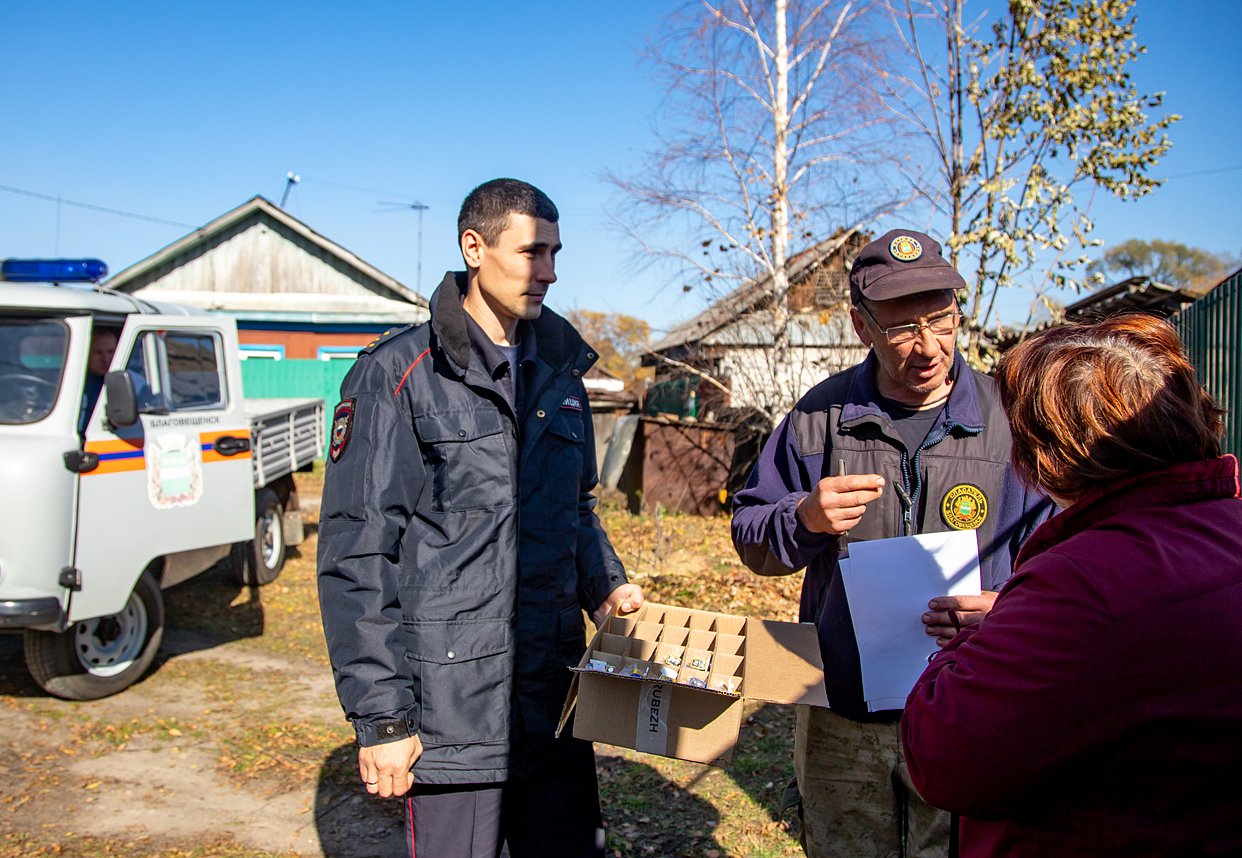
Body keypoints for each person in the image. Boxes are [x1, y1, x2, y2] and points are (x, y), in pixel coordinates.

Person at [317, 178, 643, 858]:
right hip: (451, 716)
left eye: (555, 254)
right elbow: (357, 554)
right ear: (474, 247)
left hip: (553, 704)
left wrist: (604, 584)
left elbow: (575, 511)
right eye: (532, 253)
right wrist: (382, 720)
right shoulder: (398, 376)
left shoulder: (561, 373)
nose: (548, 272)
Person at [731, 229, 1051, 858]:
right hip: (841, 715)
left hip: (971, 702)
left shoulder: (1011, 419)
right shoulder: (817, 418)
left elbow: (1061, 552)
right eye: (903, 328)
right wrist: (805, 517)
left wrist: (1010, 605)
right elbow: (751, 535)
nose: (928, 346)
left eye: (942, 320)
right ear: (861, 325)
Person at [902, 315, 1242, 857]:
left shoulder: (1083, 581)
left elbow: (943, 756)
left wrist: (985, 638)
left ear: (1048, 457)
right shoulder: (1226, 528)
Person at [79, 329, 117, 436]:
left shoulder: (136, 382)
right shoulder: (75, 383)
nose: (105, 359)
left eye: (110, 352)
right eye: (97, 352)